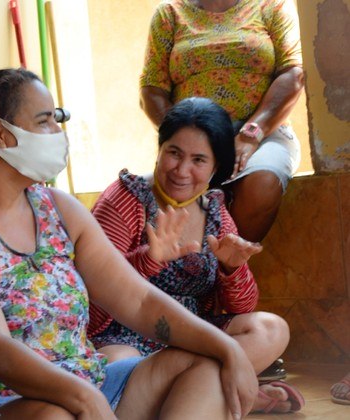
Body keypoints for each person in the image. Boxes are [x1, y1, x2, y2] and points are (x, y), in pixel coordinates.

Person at [0, 68, 260, 419]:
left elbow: (138, 300)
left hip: (90, 388)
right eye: (45, 121)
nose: (58, 133)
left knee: (206, 365)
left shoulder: (59, 208)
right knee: (55, 416)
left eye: (56, 120)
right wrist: (83, 399)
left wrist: (227, 348)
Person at [88, 97, 304, 414]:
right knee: (116, 365)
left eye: (199, 160)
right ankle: (229, 392)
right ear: (159, 150)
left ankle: (207, 389)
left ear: (216, 167)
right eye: (174, 153)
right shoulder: (124, 199)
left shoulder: (215, 211)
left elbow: (242, 307)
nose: (182, 170)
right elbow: (92, 297)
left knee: (271, 329)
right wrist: (148, 259)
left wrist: (233, 269)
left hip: (193, 334)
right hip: (122, 336)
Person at [139, 0, 304, 243]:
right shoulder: (170, 13)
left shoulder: (272, 6)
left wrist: (251, 133)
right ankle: (197, 272)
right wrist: (187, 140)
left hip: (264, 133)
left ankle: (224, 271)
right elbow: (152, 90)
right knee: (175, 184)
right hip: (194, 137)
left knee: (262, 182)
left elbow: (293, 74)